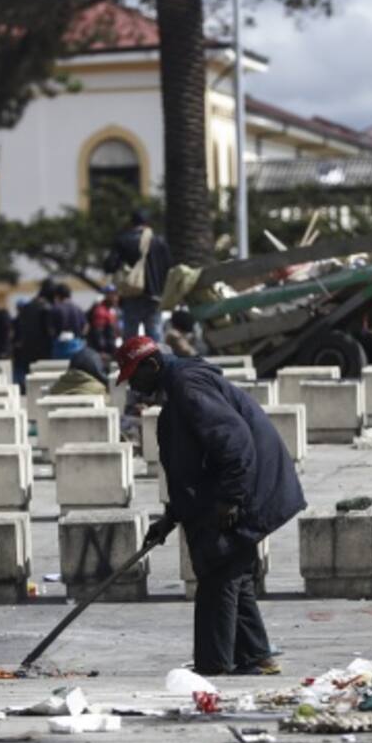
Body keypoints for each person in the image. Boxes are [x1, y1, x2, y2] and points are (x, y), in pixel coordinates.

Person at [117, 336, 306, 676]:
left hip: (245, 488)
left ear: (153, 364)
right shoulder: (179, 390)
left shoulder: (188, 387)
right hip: (236, 487)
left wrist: (232, 498)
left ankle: (213, 668)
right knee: (233, 571)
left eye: (134, 375)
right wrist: (172, 516)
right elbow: (190, 467)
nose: (133, 384)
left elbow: (234, 442)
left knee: (218, 570)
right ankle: (257, 655)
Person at [104, 211, 171, 342]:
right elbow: (168, 267)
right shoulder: (158, 241)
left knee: (130, 335)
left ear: (131, 223)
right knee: (155, 333)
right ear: (147, 223)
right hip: (154, 295)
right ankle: (157, 361)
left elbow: (110, 265)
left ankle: (132, 361)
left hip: (131, 293)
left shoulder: (123, 240)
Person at [14, 280, 56, 389]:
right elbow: (49, 332)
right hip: (43, 352)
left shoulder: (27, 306)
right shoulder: (46, 308)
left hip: (27, 351)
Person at [87, 285, 119, 359]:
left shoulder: (111, 310)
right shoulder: (100, 311)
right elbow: (98, 334)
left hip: (110, 349)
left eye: (115, 294)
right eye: (112, 295)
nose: (115, 298)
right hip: (104, 353)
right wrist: (102, 351)